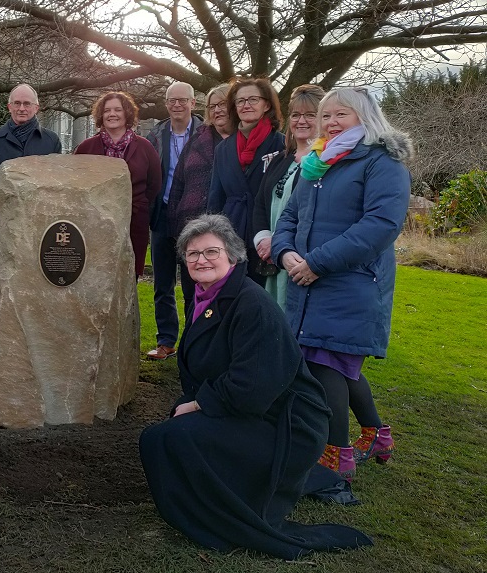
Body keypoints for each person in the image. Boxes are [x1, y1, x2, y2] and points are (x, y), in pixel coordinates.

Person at [139, 214, 372, 559]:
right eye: (192, 254)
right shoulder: (206, 298)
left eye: (211, 252)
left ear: (233, 256)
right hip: (252, 410)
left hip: (287, 424)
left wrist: (196, 405)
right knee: (172, 433)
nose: (201, 260)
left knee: (163, 438)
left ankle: (212, 518)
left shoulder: (252, 305)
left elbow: (253, 386)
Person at [272, 87, 412, 479]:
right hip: (309, 281)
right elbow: (289, 218)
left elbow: (380, 226)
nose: (331, 123)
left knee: (327, 364)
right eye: (326, 116)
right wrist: (286, 253)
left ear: (364, 117)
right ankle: (377, 435)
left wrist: (317, 262)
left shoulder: (382, 162)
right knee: (334, 361)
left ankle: (336, 456)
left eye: (341, 115)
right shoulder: (319, 163)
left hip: (351, 282)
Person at [73, 91, 161, 278]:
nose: (112, 114)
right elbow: (75, 184)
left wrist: (137, 203)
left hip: (134, 221)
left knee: (128, 276)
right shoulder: (85, 148)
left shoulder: (145, 147)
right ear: (101, 115)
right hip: (94, 223)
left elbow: (154, 184)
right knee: (95, 275)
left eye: (117, 110)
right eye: (107, 110)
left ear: (126, 113)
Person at [253, 84, 324, 310]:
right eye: (296, 115)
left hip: (300, 258)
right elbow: (260, 205)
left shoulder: (326, 163)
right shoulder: (279, 160)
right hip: (272, 260)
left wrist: (281, 244)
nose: (301, 121)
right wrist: (264, 239)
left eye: (310, 115)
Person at [207, 77, 284, 284]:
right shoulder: (223, 149)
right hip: (232, 233)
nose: (246, 105)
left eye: (252, 99)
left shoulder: (282, 144)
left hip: (268, 234)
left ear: (266, 104)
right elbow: (216, 197)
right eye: (240, 101)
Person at [146, 82, 202, 359]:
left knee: (195, 284)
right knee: (162, 284)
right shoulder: (154, 135)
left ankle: (193, 342)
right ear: (166, 104)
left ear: (193, 103)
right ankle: (166, 341)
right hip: (162, 217)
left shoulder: (208, 134)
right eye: (171, 101)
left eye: (182, 100)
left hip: (195, 221)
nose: (177, 105)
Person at [166, 84, 234, 309]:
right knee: (192, 295)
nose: (217, 111)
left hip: (230, 231)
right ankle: (193, 341)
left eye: (223, 104)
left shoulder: (243, 142)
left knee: (228, 296)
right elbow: (177, 185)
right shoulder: (197, 141)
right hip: (192, 229)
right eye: (213, 106)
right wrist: (176, 229)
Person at [0, 83, 62, 183]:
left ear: (36, 108)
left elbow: (56, 179)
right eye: (17, 103)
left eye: (27, 103)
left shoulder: (52, 140)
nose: (22, 109)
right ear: (9, 107)